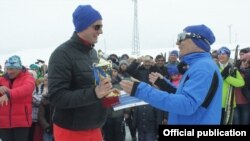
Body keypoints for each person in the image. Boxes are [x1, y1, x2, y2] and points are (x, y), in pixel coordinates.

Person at [120, 24, 223, 124]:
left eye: (181, 37)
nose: (177, 42)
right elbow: (186, 96)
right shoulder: (198, 65)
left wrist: (141, 91)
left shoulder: (203, 67)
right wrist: (164, 85)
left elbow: (187, 104)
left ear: (197, 41)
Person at [48, 5, 112, 141]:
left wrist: (112, 92)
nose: (101, 31)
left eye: (101, 27)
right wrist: (95, 93)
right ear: (84, 26)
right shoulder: (61, 54)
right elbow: (56, 97)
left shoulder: (93, 53)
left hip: (95, 126)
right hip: (71, 130)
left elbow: (97, 89)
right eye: (97, 27)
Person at [0, 55, 35, 141]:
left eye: (12, 69)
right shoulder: (2, 79)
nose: (9, 71)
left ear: (19, 68)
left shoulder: (28, 78)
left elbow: (27, 88)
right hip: (3, 122)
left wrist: (9, 94)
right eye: (7, 68)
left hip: (21, 122)